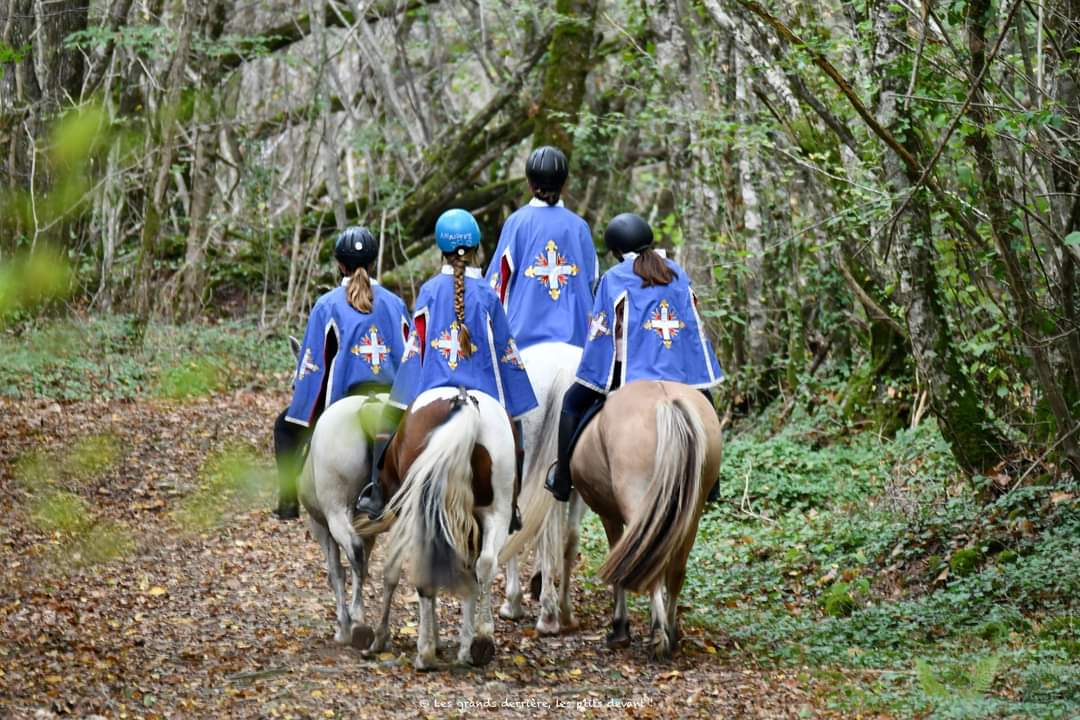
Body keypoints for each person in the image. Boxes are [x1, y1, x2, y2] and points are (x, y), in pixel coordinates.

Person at [355, 208, 539, 521]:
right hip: (483, 390)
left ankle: (376, 492)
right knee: (514, 426)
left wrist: (403, 393)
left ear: (441, 248)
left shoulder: (429, 291)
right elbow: (504, 349)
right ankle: (511, 502)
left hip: (434, 385)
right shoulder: (488, 294)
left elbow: (417, 346)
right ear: (477, 247)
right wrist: (516, 397)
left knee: (388, 419)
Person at [544, 212, 724, 502]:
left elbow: (601, 332)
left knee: (572, 401)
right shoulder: (677, 273)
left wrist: (596, 373)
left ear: (617, 251)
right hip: (678, 371)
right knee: (705, 402)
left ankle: (562, 479)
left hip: (632, 372)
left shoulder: (615, 278)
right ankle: (713, 480)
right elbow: (692, 325)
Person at [273, 226, 410, 520]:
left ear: (339, 263)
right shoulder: (394, 303)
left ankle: (287, 501)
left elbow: (313, 363)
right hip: (391, 400)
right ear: (373, 261)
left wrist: (303, 399)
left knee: (283, 426)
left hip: (344, 396)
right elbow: (410, 355)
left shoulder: (327, 304)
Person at [485, 146, 598, 348]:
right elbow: (592, 283)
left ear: (529, 183)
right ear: (565, 184)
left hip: (525, 347)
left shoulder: (516, 223)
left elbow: (497, 286)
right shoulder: (579, 227)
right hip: (576, 346)